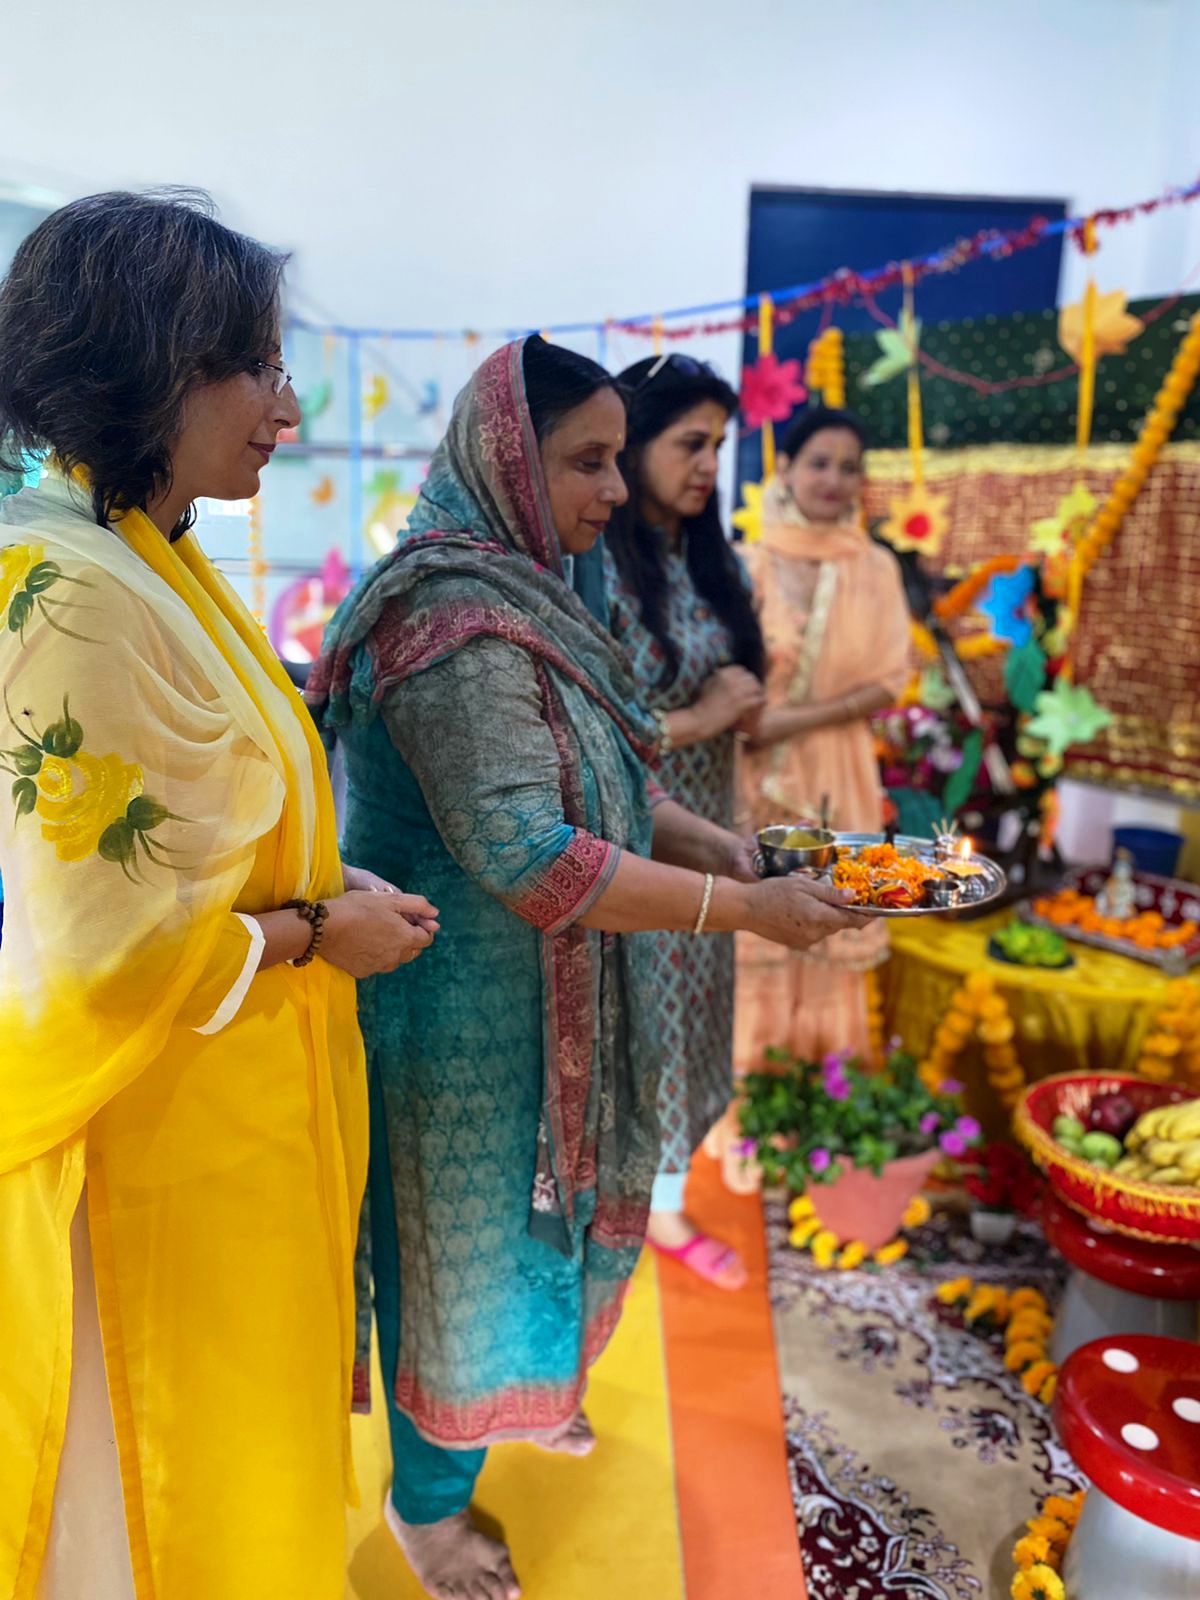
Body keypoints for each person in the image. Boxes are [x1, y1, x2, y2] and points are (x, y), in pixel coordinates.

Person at [308, 336, 863, 1600]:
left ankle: (523, 1396)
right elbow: (532, 856)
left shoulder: (542, 589)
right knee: (460, 1266)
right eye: (587, 460)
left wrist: (714, 842)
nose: (616, 488)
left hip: (550, 989)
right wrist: (745, 906)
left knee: (537, 1243)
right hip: (454, 1012)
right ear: (509, 458)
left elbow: (607, 773)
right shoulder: (446, 621)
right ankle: (426, 1507)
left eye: (620, 458)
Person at [0, 191, 434, 1600]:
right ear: (144, 361)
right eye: (251, 365)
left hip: (233, 1087)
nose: (286, 407)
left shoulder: (147, 551)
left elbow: (211, 821)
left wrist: (323, 878)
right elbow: (103, 949)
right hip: (154, 1130)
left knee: (248, 1425)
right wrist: (316, 929)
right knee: (158, 1478)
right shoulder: (70, 585)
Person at [603, 353, 764, 1289]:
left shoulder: (709, 558)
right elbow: (592, 734)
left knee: (698, 1016)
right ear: (633, 444)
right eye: (690, 443)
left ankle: (667, 1193)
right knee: (649, 1029)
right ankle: (643, 1209)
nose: (708, 465)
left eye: (719, 447)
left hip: (714, 827)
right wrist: (704, 717)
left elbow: (742, 690)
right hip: (635, 840)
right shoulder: (597, 567)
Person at [737, 406, 912, 1070]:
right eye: (819, 463)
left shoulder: (876, 567)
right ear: (784, 468)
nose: (834, 480)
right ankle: (752, 1104)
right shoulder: (746, 564)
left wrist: (787, 721)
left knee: (832, 918)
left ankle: (824, 1101)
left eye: (849, 468)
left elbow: (890, 679)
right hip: (751, 776)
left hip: (839, 770)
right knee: (759, 916)